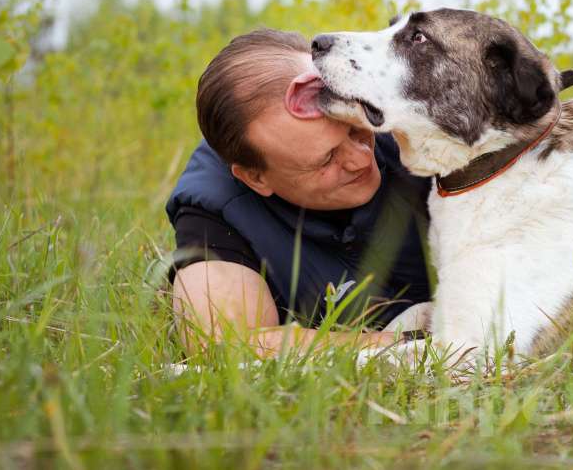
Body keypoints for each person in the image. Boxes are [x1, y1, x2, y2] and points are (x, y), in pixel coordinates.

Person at [166, 28, 432, 357]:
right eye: (327, 159)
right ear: (255, 177)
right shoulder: (217, 204)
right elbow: (224, 345)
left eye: (355, 128)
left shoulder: (409, 118)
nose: (360, 158)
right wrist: (415, 346)